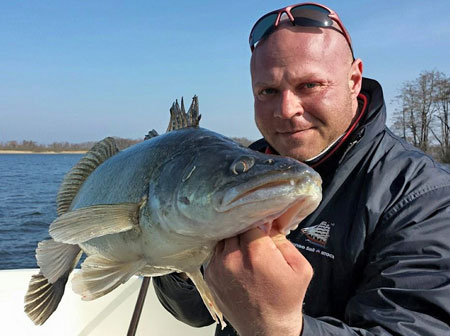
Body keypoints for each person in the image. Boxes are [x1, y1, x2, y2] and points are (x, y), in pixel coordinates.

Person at [153, 3, 450, 335]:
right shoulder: (235, 178)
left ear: (353, 80)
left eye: (310, 85)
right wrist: (178, 259)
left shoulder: (426, 199)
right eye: (268, 91)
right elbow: (196, 314)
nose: (287, 109)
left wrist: (279, 327)